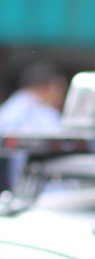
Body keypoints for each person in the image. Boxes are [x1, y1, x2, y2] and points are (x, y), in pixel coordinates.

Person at [0, 61, 67, 189]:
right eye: (58, 89)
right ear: (43, 87)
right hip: (33, 190)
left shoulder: (8, 109)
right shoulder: (42, 113)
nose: (60, 96)